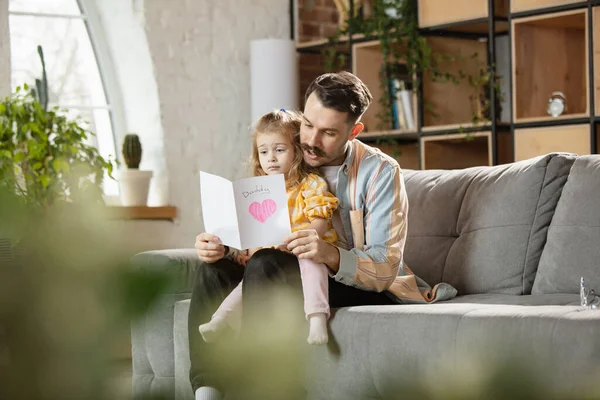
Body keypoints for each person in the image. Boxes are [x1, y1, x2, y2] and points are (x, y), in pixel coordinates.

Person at [190, 71, 456, 400]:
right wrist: (224, 249)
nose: (312, 140)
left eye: (328, 132)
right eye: (308, 124)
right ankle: (207, 390)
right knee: (212, 271)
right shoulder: (285, 158)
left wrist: (327, 254)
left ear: (354, 131)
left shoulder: (380, 172)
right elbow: (259, 235)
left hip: (352, 283)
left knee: (267, 264)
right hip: (283, 266)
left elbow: (385, 267)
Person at [198, 109, 338, 347]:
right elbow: (258, 232)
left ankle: (316, 317)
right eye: (264, 152)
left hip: (305, 250)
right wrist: (244, 250)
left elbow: (321, 219)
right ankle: (220, 318)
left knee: (311, 262)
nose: (271, 158)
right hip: (272, 259)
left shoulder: (310, 184)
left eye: (279, 150)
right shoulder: (256, 192)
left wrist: (305, 238)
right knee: (250, 274)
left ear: (296, 151)